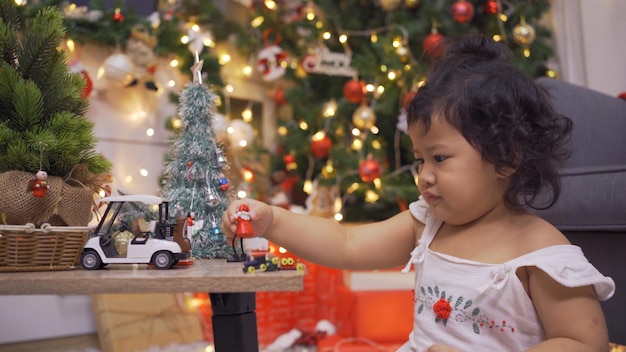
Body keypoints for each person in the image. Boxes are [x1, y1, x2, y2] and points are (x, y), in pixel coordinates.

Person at [222, 35, 615, 351]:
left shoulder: (540, 252)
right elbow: (347, 243)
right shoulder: (428, 224)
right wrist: (273, 220)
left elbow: (585, 342)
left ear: (506, 158)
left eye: (439, 158)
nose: (424, 176)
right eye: (419, 160)